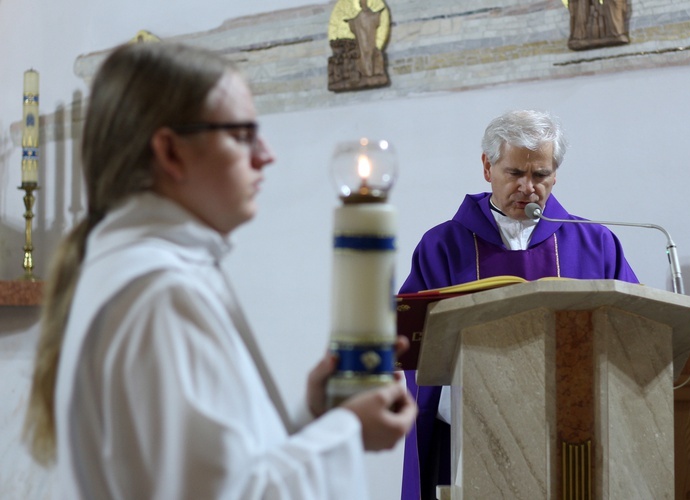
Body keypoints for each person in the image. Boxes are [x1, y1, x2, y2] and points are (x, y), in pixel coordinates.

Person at [23, 41, 416, 499]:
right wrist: (348, 431)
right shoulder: (158, 292)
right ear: (171, 152)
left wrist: (315, 419)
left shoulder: (149, 270)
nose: (265, 155)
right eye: (242, 135)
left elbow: (210, 471)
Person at [399, 109, 638, 500]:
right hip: (471, 423)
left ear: (555, 175)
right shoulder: (442, 246)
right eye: (515, 173)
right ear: (487, 167)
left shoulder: (595, 243)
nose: (528, 187)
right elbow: (411, 340)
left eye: (540, 175)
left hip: (571, 426)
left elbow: (630, 331)